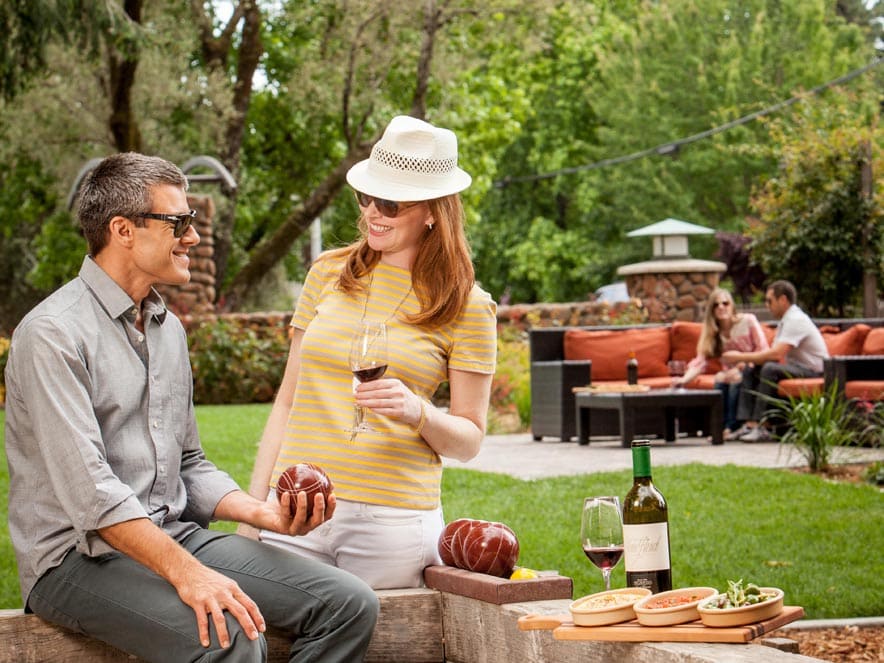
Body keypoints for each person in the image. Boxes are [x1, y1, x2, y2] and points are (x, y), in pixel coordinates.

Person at [4, 153, 378, 662]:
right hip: (74, 560)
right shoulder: (52, 334)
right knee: (230, 636)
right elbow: (92, 496)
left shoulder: (168, 330)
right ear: (123, 230)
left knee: (348, 604)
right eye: (179, 223)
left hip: (170, 532)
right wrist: (189, 573)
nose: (194, 238)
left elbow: (188, 464)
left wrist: (261, 512)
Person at [242, 115, 497, 589]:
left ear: (432, 211)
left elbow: (469, 439)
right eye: (366, 197)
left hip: (393, 522)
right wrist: (254, 511)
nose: (372, 212)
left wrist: (417, 412)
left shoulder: (469, 306)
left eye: (390, 202)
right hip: (296, 508)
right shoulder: (327, 272)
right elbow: (287, 399)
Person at [722, 280, 829, 442]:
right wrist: (748, 361)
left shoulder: (796, 320)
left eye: (769, 301)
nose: (767, 305)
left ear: (783, 300)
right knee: (752, 369)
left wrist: (739, 356)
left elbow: (776, 355)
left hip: (814, 372)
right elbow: (769, 354)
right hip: (797, 368)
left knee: (769, 369)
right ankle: (748, 424)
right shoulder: (786, 320)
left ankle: (763, 426)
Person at [674, 288, 769, 440]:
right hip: (729, 374)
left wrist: (743, 362)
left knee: (735, 378)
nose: (721, 307)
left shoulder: (748, 321)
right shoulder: (712, 332)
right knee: (720, 378)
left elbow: (763, 350)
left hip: (752, 369)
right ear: (711, 310)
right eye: (716, 305)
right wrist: (683, 380)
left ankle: (731, 427)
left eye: (725, 303)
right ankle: (721, 426)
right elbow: (700, 362)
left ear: (732, 305)